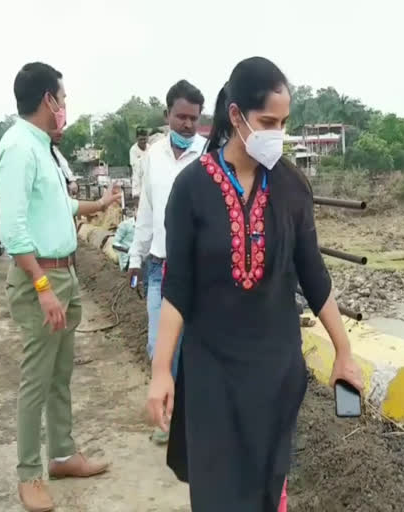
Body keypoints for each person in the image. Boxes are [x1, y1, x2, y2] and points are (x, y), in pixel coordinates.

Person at [145, 56, 363, 511]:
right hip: (211, 374)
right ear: (236, 116)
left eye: (284, 123)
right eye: (268, 121)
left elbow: (314, 275)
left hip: (274, 373)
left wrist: (344, 351)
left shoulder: (291, 187)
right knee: (217, 494)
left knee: (268, 492)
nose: (277, 134)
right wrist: (162, 370)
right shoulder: (191, 189)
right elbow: (177, 287)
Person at [0, 62, 120, 512]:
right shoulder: (17, 149)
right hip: (40, 280)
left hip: (62, 276)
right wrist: (43, 286)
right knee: (35, 380)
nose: (65, 107)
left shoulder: (42, 148)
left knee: (60, 374)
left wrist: (97, 203)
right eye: (63, 99)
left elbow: (58, 204)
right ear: (48, 99)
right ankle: (29, 474)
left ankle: (63, 454)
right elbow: (13, 230)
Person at [127, 80, 206, 444]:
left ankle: (192, 419)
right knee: (159, 345)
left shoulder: (209, 156)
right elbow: (146, 212)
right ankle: (172, 417)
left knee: (198, 346)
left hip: (202, 271)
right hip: (161, 268)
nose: (188, 124)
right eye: (181, 117)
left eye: (194, 117)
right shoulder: (152, 158)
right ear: (167, 116)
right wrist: (134, 257)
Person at [50, 130, 79, 197]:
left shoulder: (54, 150)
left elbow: (65, 168)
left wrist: (72, 181)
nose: (61, 133)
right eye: (55, 129)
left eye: (61, 129)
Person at [130, 127, 149, 198]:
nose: (143, 141)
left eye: (144, 139)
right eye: (141, 139)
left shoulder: (150, 148)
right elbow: (136, 170)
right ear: (137, 138)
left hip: (148, 180)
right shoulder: (133, 150)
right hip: (138, 181)